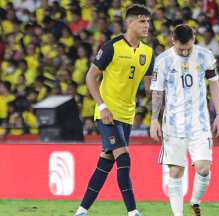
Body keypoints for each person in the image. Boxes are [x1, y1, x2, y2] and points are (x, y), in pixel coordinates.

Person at [74, 4, 154, 216]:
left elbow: (148, 89)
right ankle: (133, 212)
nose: (147, 25)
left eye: (148, 21)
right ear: (129, 22)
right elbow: (90, 77)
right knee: (124, 158)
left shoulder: (148, 53)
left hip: (127, 115)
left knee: (105, 163)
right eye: (142, 21)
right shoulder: (112, 46)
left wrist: (163, 90)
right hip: (107, 113)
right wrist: (102, 106)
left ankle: (82, 211)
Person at [150, 24, 219, 216]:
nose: (184, 51)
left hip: (199, 122)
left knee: (203, 168)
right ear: (172, 40)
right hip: (173, 124)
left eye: (188, 47)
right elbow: (157, 92)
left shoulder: (205, 55)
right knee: (175, 172)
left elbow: (214, 85)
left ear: (194, 39)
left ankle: (195, 202)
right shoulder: (163, 60)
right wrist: (154, 120)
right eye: (180, 48)